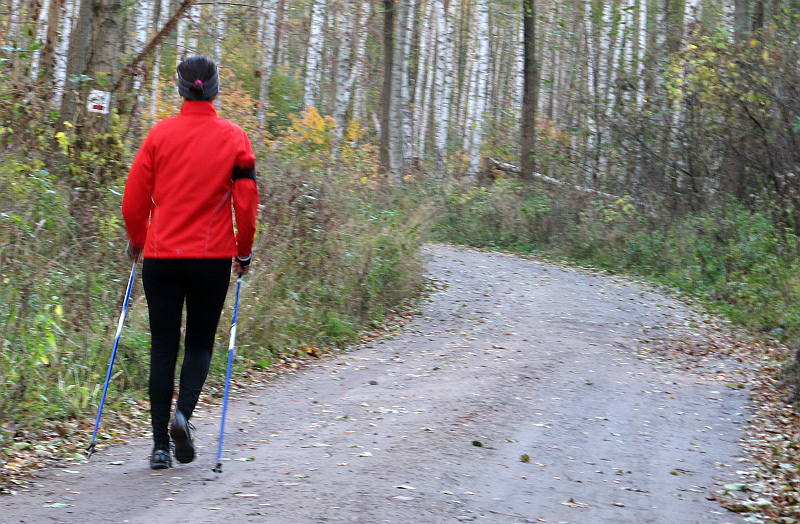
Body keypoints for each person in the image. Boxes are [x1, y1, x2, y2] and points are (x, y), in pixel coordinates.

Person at [121, 55, 259, 469]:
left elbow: (133, 200)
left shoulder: (158, 136)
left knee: (163, 347)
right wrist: (244, 250)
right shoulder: (234, 138)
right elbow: (246, 203)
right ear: (214, 90)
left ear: (180, 90)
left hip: (161, 258)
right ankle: (184, 416)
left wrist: (138, 240)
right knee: (199, 343)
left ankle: (160, 446)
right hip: (210, 258)